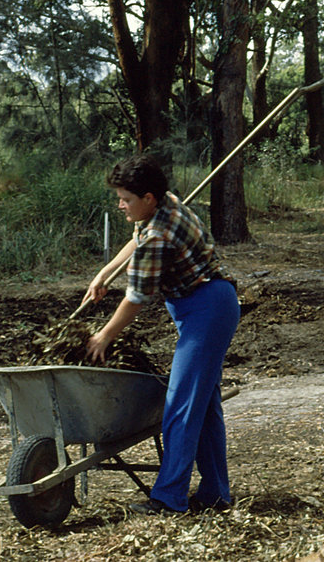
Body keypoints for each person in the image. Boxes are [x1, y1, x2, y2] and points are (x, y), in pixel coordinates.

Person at [80, 153, 240, 515]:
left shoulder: (159, 234)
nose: (120, 205)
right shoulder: (163, 203)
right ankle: (216, 494)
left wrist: (104, 335)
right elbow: (137, 240)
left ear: (148, 198)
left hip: (207, 309)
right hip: (201, 307)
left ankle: (169, 499)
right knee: (204, 406)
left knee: (180, 404)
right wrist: (105, 273)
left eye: (126, 199)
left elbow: (136, 298)